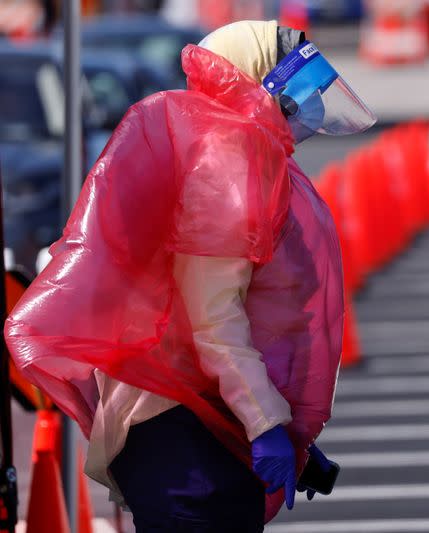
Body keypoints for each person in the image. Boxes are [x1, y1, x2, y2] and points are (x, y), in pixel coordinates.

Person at [5, 20, 375, 531]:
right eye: (294, 83)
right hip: (183, 438)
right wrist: (266, 424)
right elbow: (214, 320)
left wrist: (287, 436)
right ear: (253, 78)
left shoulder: (230, 148)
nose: (305, 100)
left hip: (202, 426)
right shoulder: (224, 159)